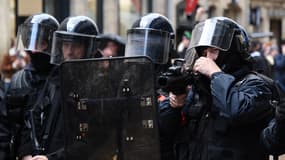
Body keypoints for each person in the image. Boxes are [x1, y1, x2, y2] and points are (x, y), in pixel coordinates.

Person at [159, 17, 279, 160]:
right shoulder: (200, 87)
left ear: (233, 52)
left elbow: (237, 110)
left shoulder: (255, 84)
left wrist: (216, 74)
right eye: (204, 53)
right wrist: (175, 106)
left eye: (214, 51)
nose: (207, 58)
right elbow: (165, 130)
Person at [19, 15, 99, 160]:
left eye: (76, 45)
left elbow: (95, 139)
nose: (69, 51)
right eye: (66, 45)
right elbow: (33, 115)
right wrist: (27, 153)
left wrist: (53, 159)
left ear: (88, 47)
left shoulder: (98, 84)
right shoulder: (55, 76)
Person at [4, 13, 59, 160]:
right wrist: (24, 154)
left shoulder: (62, 80)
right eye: (32, 43)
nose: (34, 50)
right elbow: (11, 126)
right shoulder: (19, 80)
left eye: (41, 44)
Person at [124, 13, 176, 160]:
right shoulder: (127, 78)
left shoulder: (173, 80)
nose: (144, 51)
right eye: (138, 44)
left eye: (152, 45)